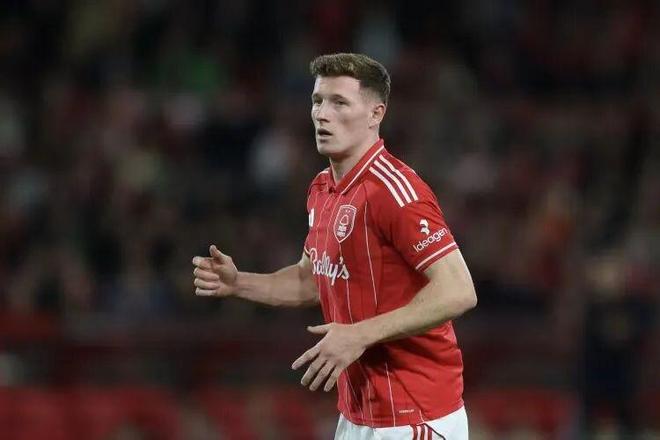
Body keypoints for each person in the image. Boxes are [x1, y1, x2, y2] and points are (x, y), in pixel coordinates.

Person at [192, 53, 477, 439]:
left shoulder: (395, 191)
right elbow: (311, 280)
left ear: (376, 114)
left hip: (415, 416)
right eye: (317, 101)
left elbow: (459, 290)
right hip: (357, 414)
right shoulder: (322, 189)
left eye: (339, 102)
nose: (322, 114)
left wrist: (358, 334)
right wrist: (239, 282)